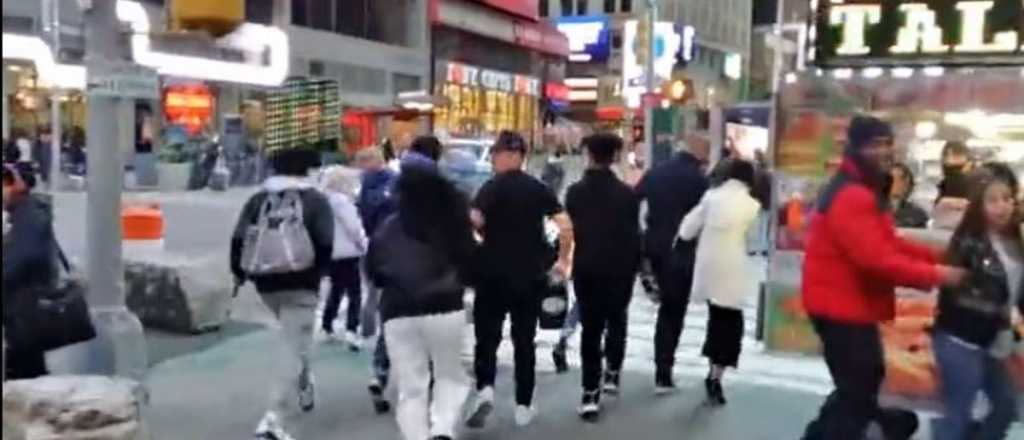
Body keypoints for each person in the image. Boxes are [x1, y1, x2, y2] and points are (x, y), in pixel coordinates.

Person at [800, 116, 966, 440]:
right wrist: (939, 274)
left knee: (859, 386)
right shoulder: (853, 195)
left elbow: (889, 243)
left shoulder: (861, 187)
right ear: (856, 148)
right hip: (840, 308)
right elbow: (877, 260)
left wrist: (940, 258)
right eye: (875, 144)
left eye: (887, 143)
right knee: (857, 391)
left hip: (844, 305)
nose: (885, 151)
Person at [366, 139, 477, 440]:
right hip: (445, 307)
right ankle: (442, 429)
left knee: (411, 386)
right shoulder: (452, 223)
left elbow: (373, 270)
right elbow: (470, 262)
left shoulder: (389, 226)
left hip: (398, 311)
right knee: (449, 375)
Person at [467, 130, 573, 428]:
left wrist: (483, 239)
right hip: (529, 275)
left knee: (486, 336)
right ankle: (523, 405)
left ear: (512, 155)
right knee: (524, 340)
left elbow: (474, 221)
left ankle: (485, 389)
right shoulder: (538, 189)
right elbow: (564, 226)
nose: (493, 160)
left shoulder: (490, 188)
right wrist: (562, 261)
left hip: (491, 274)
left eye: (496, 155)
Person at [230, 148, 334, 440]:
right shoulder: (314, 200)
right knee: (291, 345)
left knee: (294, 337)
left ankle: (303, 379)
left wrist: (239, 274)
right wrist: (322, 274)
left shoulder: (259, 199)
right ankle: (274, 417)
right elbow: (326, 241)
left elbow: (239, 237)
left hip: (266, 283)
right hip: (303, 282)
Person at [932, 163, 1022, 440]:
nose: (1002, 207)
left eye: (1007, 199)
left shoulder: (1014, 241)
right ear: (977, 204)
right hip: (959, 340)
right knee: (958, 415)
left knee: (1006, 406)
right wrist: (1004, 321)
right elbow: (958, 294)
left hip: (990, 341)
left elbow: (1018, 288)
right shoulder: (968, 242)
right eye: (992, 200)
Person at [564, 133, 641, 421]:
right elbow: (634, 236)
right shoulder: (626, 194)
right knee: (617, 319)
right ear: (614, 157)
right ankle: (612, 373)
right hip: (620, 269)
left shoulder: (574, 193)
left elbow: (568, 232)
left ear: (589, 155)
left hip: (587, 268)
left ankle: (589, 393)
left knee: (591, 329)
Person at [678, 159, 761, 406]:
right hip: (732, 269)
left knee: (716, 319)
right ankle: (716, 375)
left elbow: (687, 230)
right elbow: (755, 242)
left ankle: (712, 369)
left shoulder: (711, 197)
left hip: (708, 267)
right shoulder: (753, 205)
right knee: (731, 324)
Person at [635, 142, 709, 393]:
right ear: (698, 156)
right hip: (682, 249)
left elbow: (635, 199)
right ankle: (663, 373)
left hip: (654, 245)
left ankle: (660, 367)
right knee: (674, 311)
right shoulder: (699, 180)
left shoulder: (655, 172)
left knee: (666, 305)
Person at [2, 163, 56, 379]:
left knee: (27, 369)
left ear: (18, 184)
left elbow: (22, 258)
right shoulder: (23, 214)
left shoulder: (29, 216)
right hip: (23, 309)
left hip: (26, 309)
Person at [355, 146, 399, 414]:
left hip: (374, 251)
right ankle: (384, 375)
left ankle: (380, 372)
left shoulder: (364, 189)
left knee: (382, 304)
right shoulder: (393, 186)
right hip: (399, 255)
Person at [319, 166, 368, 350]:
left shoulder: (323, 200)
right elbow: (353, 227)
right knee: (354, 292)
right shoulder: (342, 201)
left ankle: (327, 324)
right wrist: (364, 244)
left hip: (330, 252)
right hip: (347, 251)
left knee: (336, 289)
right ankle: (351, 329)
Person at [934, 141, 972, 229]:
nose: (952, 158)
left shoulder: (969, 183)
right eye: (949, 155)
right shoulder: (945, 183)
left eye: (957, 155)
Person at [890, 163, 929, 228]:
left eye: (902, 179)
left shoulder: (918, 214)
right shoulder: (873, 211)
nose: (898, 183)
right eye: (893, 178)